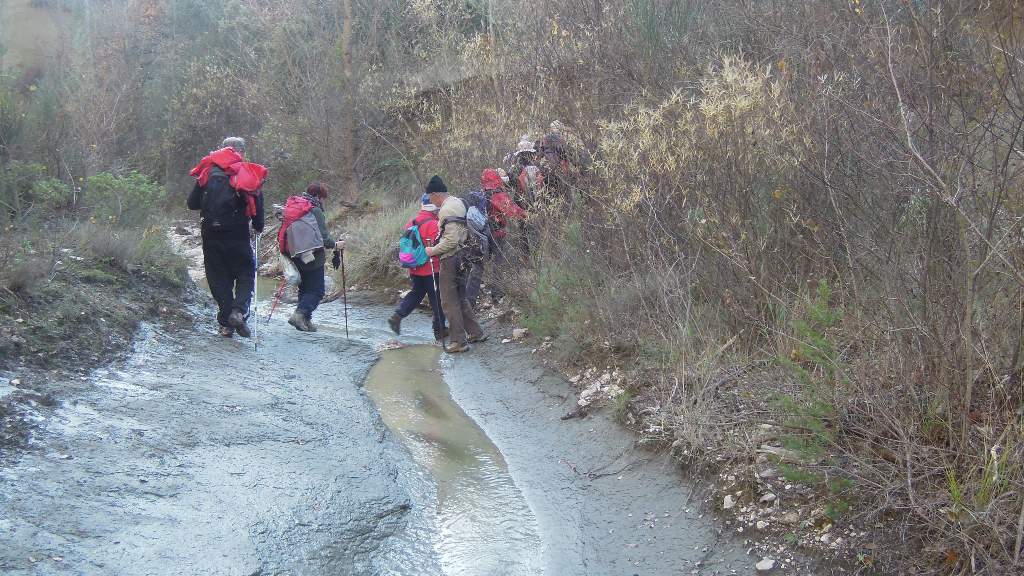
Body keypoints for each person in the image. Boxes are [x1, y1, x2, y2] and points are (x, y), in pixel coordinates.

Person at [187, 137, 267, 338]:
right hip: (238, 234)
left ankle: (225, 324)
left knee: (218, 277)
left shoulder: (207, 171)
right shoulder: (247, 172)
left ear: (221, 150)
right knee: (245, 274)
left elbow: (192, 203)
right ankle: (238, 311)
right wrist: (258, 226)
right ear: (242, 152)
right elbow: (257, 210)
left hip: (211, 234)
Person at [423, 175, 487, 353]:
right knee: (460, 297)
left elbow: (451, 240)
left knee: (449, 301)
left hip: (451, 258)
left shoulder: (446, 210)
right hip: (464, 256)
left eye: (430, 197)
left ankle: (458, 341)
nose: (429, 200)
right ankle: (476, 332)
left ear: (436, 194)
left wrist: (432, 251)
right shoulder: (458, 202)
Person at [279, 182, 344, 332]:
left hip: (295, 254)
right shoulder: (315, 211)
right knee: (317, 291)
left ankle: (305, 321)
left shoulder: (297, 207)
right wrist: (336, 245)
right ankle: (299, 315)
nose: (324, 201)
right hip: (313, 256)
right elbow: (323, 238)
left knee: (305, 288)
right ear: (318, 196)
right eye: (323, 198)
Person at [387, 194, 446, 343]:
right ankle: (440, 330)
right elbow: (438, 248)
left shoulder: (411, 222)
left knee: (417, 293)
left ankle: (398, 315)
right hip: (431, 268)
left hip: (414, 267)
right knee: (437, 299)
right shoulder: (434, 223)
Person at [465, 168, 526, 306]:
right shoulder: (498, 194)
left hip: (480, 234)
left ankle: (469, 300)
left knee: (478, 265)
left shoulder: (481, 193)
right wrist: (528, 215)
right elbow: (513, 211)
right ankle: (496, 294)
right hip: (497, 234)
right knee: (498, 264)